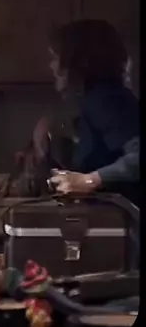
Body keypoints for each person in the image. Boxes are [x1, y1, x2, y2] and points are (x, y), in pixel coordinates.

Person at [36, 19, 140, 207]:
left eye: (55, 58)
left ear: (77, 62)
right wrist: (43, 144)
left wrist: (90, 180)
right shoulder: (96, 99)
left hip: (125, 220)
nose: (51, 66)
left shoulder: (107, 100)